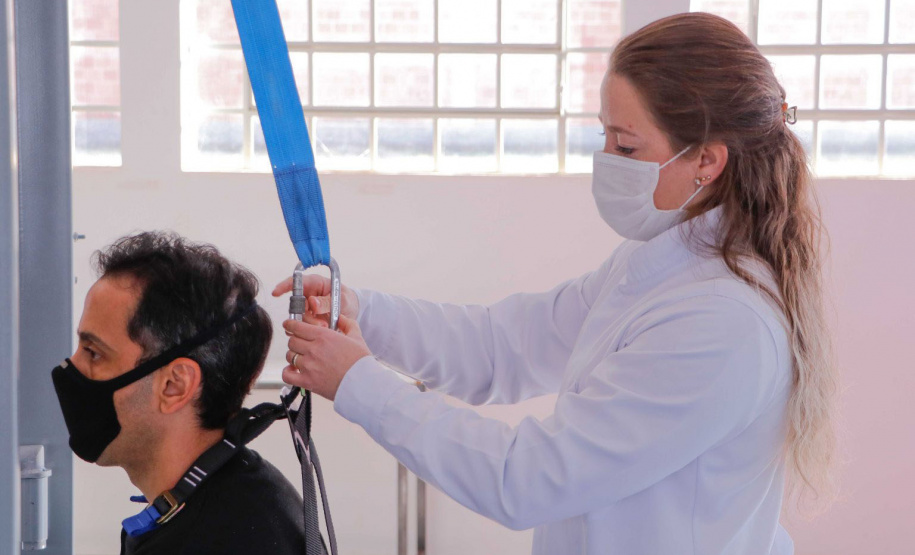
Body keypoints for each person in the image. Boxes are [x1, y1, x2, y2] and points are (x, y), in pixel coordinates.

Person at [277, 12, 837, 555]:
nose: (607, 161)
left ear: (707, 162)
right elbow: (500, 347)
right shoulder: (659, 264)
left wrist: (357, 382)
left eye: (626, 145)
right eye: (605, 137)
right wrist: (360, 312)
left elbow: (526, 480)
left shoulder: (722, 321)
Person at [51, 232, 306, 555]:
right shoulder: (238, 495)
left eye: (94, 352)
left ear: (175, 386)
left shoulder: (219, 539)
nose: (71, 367)